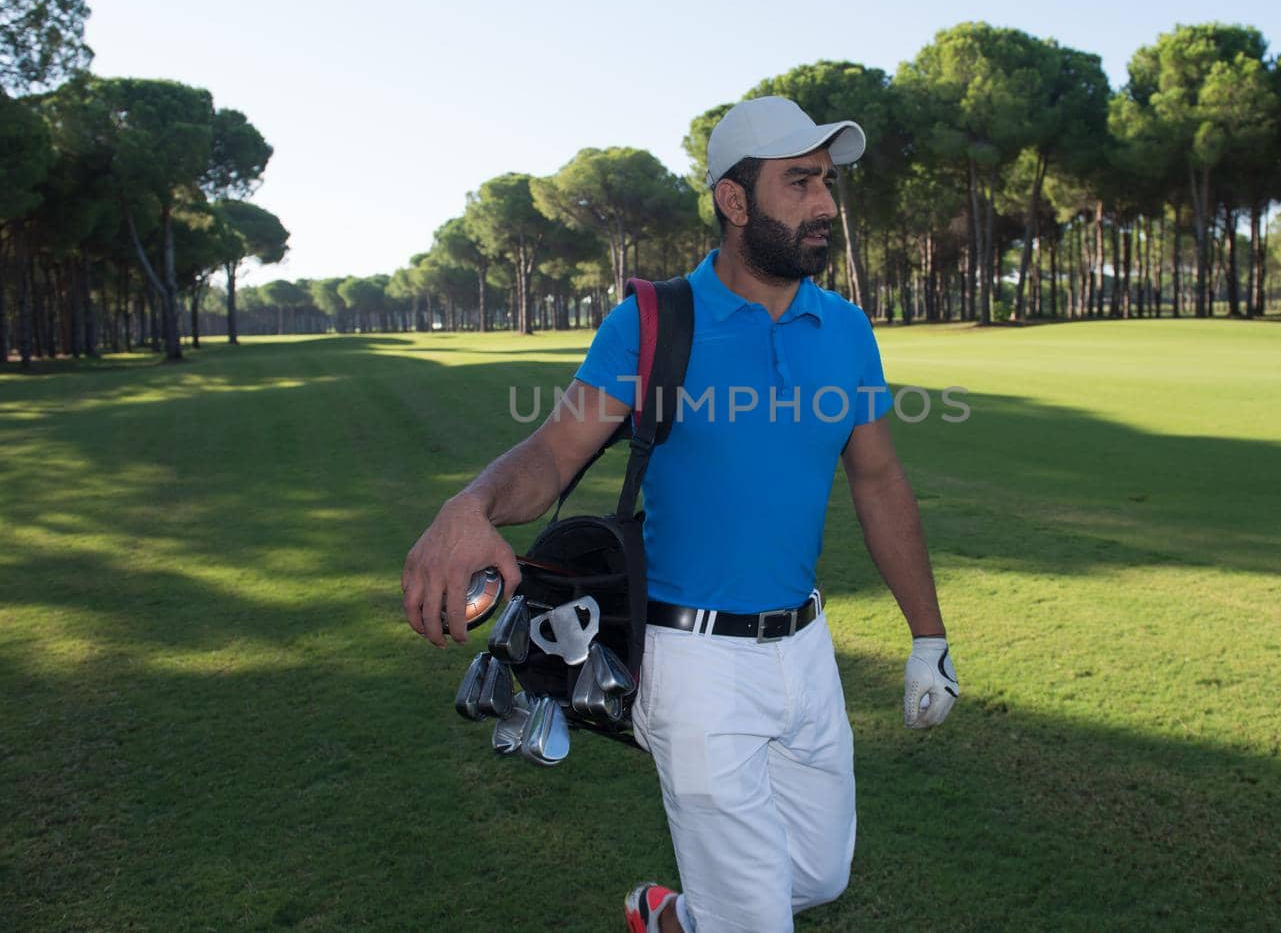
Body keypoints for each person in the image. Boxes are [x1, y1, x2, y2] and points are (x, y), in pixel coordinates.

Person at [402, 96, 958, 933]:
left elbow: (878, 481)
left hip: (806, 650)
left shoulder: (844, 328)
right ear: (734, 202)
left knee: (819, 872)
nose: (826, 206)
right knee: (758, 921)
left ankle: (678, 920)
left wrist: (928, 637)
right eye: (800, 182)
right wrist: (469, 503)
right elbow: (555, 453)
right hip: (694, 667)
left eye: (828, 182)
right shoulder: (655, 322)